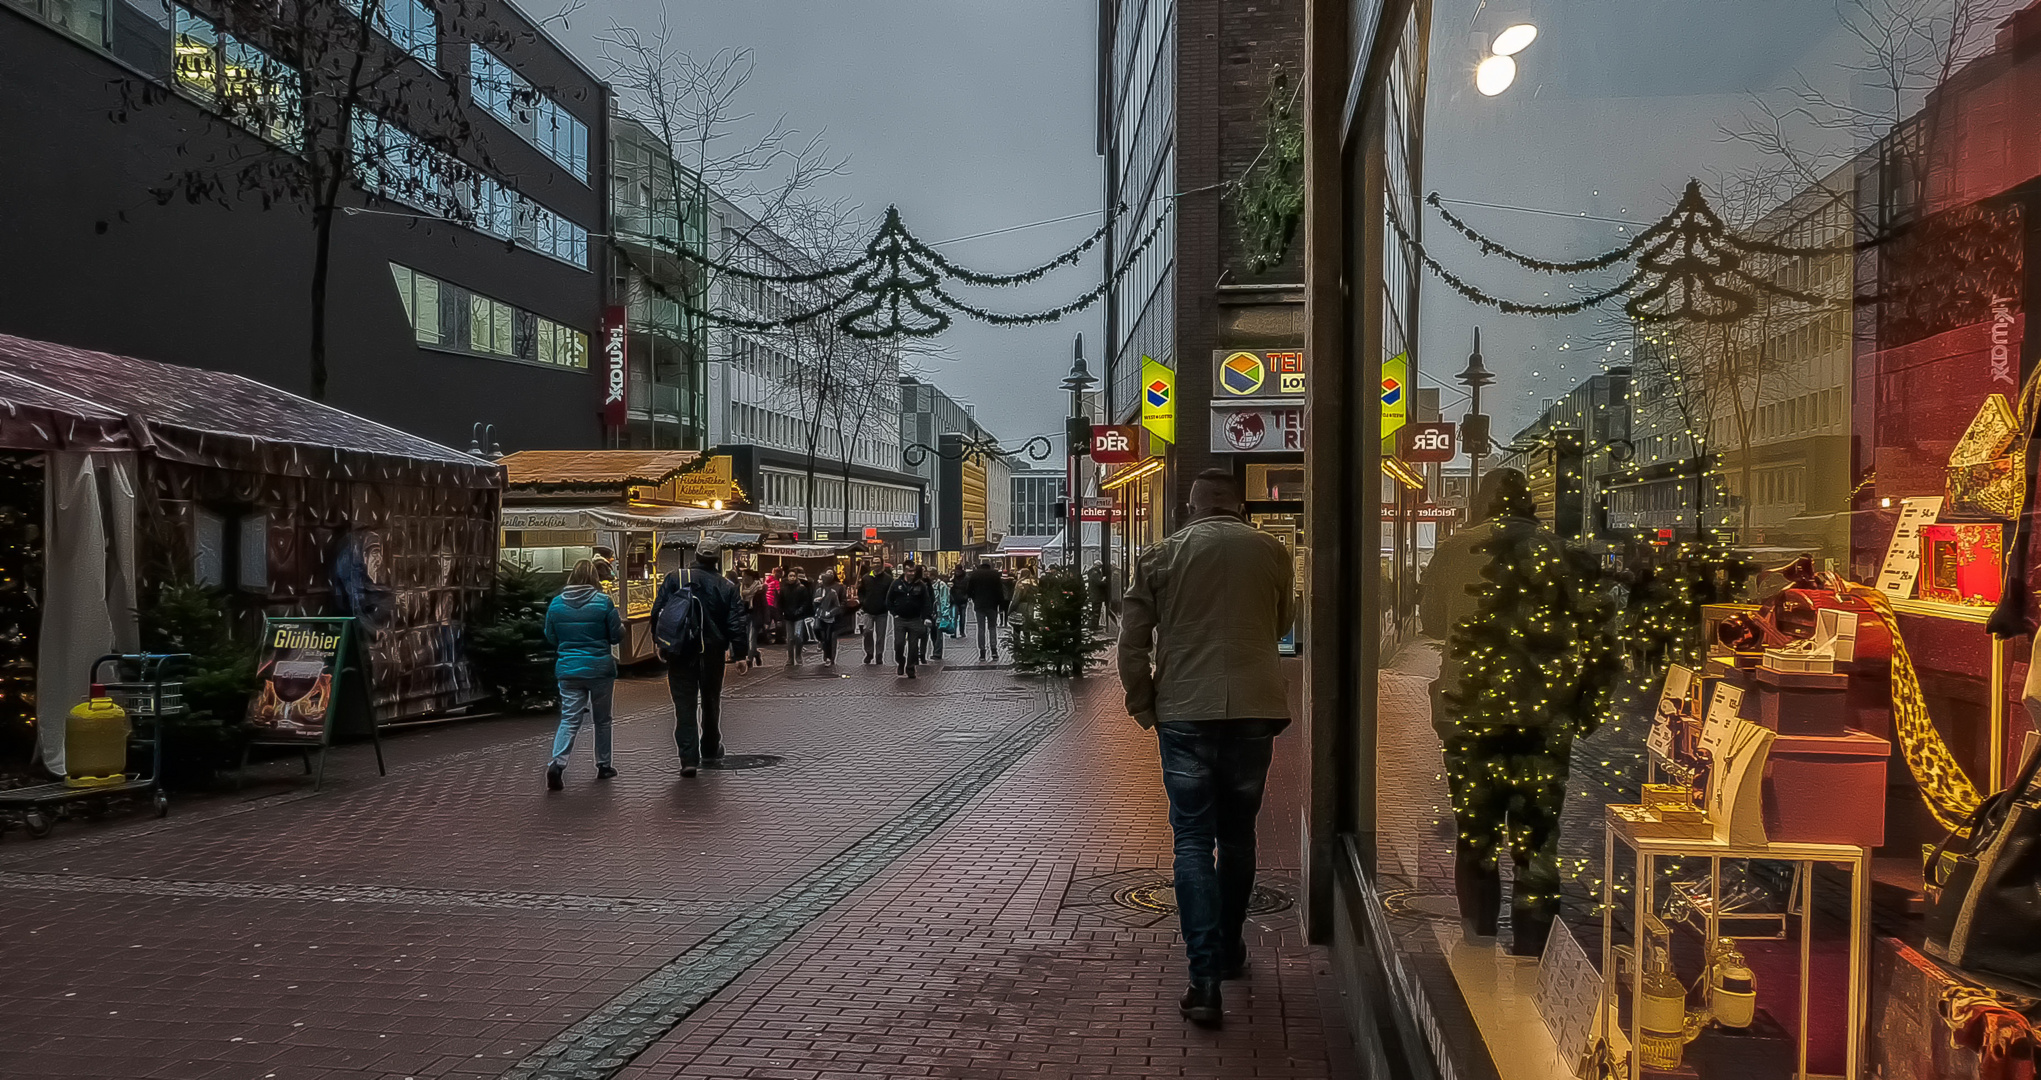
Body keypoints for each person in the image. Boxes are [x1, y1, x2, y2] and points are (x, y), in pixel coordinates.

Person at [1118, 468, 1294, 1028]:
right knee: (1239, 835)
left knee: (1193, 839)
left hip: (1186, 711)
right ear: (1239, 507)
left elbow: (1132, 642)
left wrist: (1145, 703)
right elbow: (1281, 621)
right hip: (1254, 708)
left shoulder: (1161, 556)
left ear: (1189, 508)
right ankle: (1233, 946)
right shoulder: (1271, 551)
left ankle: (1204, 979)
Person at [652, 539, 749, 778]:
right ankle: (710, 747)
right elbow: (736, 622)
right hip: (712, 652)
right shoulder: (726, 586)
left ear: (695, 554)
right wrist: (740, 654)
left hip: (681, 651)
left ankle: (688, 758)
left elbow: (659, 611)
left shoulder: (676, 578)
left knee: (684, 705)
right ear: (717, 559)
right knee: (710, 700)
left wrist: (660, 642)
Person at [543, 559, 624, 791]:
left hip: (568, 669)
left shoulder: (556, 604)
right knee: (602, 719)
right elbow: (615, 636)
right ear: (594, 577)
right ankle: (603, 765)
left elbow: (550, 635)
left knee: (569, 719)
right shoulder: (603, 602)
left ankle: (557, 763)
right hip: (600, 669)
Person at [886, 563, 934, 678]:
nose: (912, 574)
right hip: (900, 619)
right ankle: (900, 661)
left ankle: (910, 668)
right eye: (909, 571)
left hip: (915, 619)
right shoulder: (896, 584)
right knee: (899, 644)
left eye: (913, 571)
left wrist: (927, 617)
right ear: (904, 571)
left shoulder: (920, 585)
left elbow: (926, 602)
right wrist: (894, 614)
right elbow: (889, 600)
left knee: (913, 646)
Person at [965, 558, 1006, 662]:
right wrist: (1001, 606)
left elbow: (969, 590)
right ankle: (994, 651)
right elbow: (1000, 591)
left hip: (979, 605)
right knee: (992, 628)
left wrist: (974, 598)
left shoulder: (975, 574)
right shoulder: (995, 574)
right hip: (992, 605)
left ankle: (982, 652)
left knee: (981, 628)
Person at [858, 561, 894, 664]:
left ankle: (879, 655)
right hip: (868, 610)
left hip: (882, 612)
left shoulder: (888, 579)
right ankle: (869, 653)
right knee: (867, 632)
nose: (876, 564)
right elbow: (861, 591)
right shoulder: (866, 578)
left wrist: (886, 604)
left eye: (878, 562)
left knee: (880, 636)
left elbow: (890, 594)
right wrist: (862, 602)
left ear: (882, 564)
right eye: (874, 562)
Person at [779, 568, 815, 666]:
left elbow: (805, 602)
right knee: (790, 638)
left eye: (794, 576)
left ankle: (798, 655)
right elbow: (780, 602)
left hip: (799, 616)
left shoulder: (801, 588)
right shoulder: (783, 588)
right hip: (788, 616)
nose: (792, 578)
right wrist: (782, 613)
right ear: (787, 577)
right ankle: (790, 658)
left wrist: (799, 611)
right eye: (790, 576)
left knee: (798, 636)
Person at [813, 570, 846, 667]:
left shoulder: (837, 589)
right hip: (821, 615)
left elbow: (841, 603)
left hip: (833, 617)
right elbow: (814, 602)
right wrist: (816, 603)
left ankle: (830, 657)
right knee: (820, 632)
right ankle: (826, 652)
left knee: (830, 637)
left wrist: (834, 612)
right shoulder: (819, 590)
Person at [744, 568, 771, 664]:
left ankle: (749, 659)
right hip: (745, 616)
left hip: (756, 616)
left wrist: (766, 620)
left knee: (752, 638)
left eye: (745, 576)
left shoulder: (759, 589)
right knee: (747, 639)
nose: (743, 578)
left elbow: (765, 605)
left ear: (751, 578)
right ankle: (756, 653)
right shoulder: (741, 589)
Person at [927, 571, 951, 661]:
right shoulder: (927, 585)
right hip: (930, 613)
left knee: (938, 633)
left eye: (929, 574)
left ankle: (937, 652)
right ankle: (936, 650)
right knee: (933, 633)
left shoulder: (941, 585)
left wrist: (944, 613)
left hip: (938, 613)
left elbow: (944, 600)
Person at [948, 565, 970, 639]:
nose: (957, 572)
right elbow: (950, 587)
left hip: (963, 600)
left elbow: (968, 588)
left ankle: (961, 631)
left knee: (962, 617)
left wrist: (967, 596)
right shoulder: (953, 578)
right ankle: (954, 632)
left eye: (958, 571)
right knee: (954, 617)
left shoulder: (966, 578)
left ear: (961, 570)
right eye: (956, 571)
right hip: (955, 600)